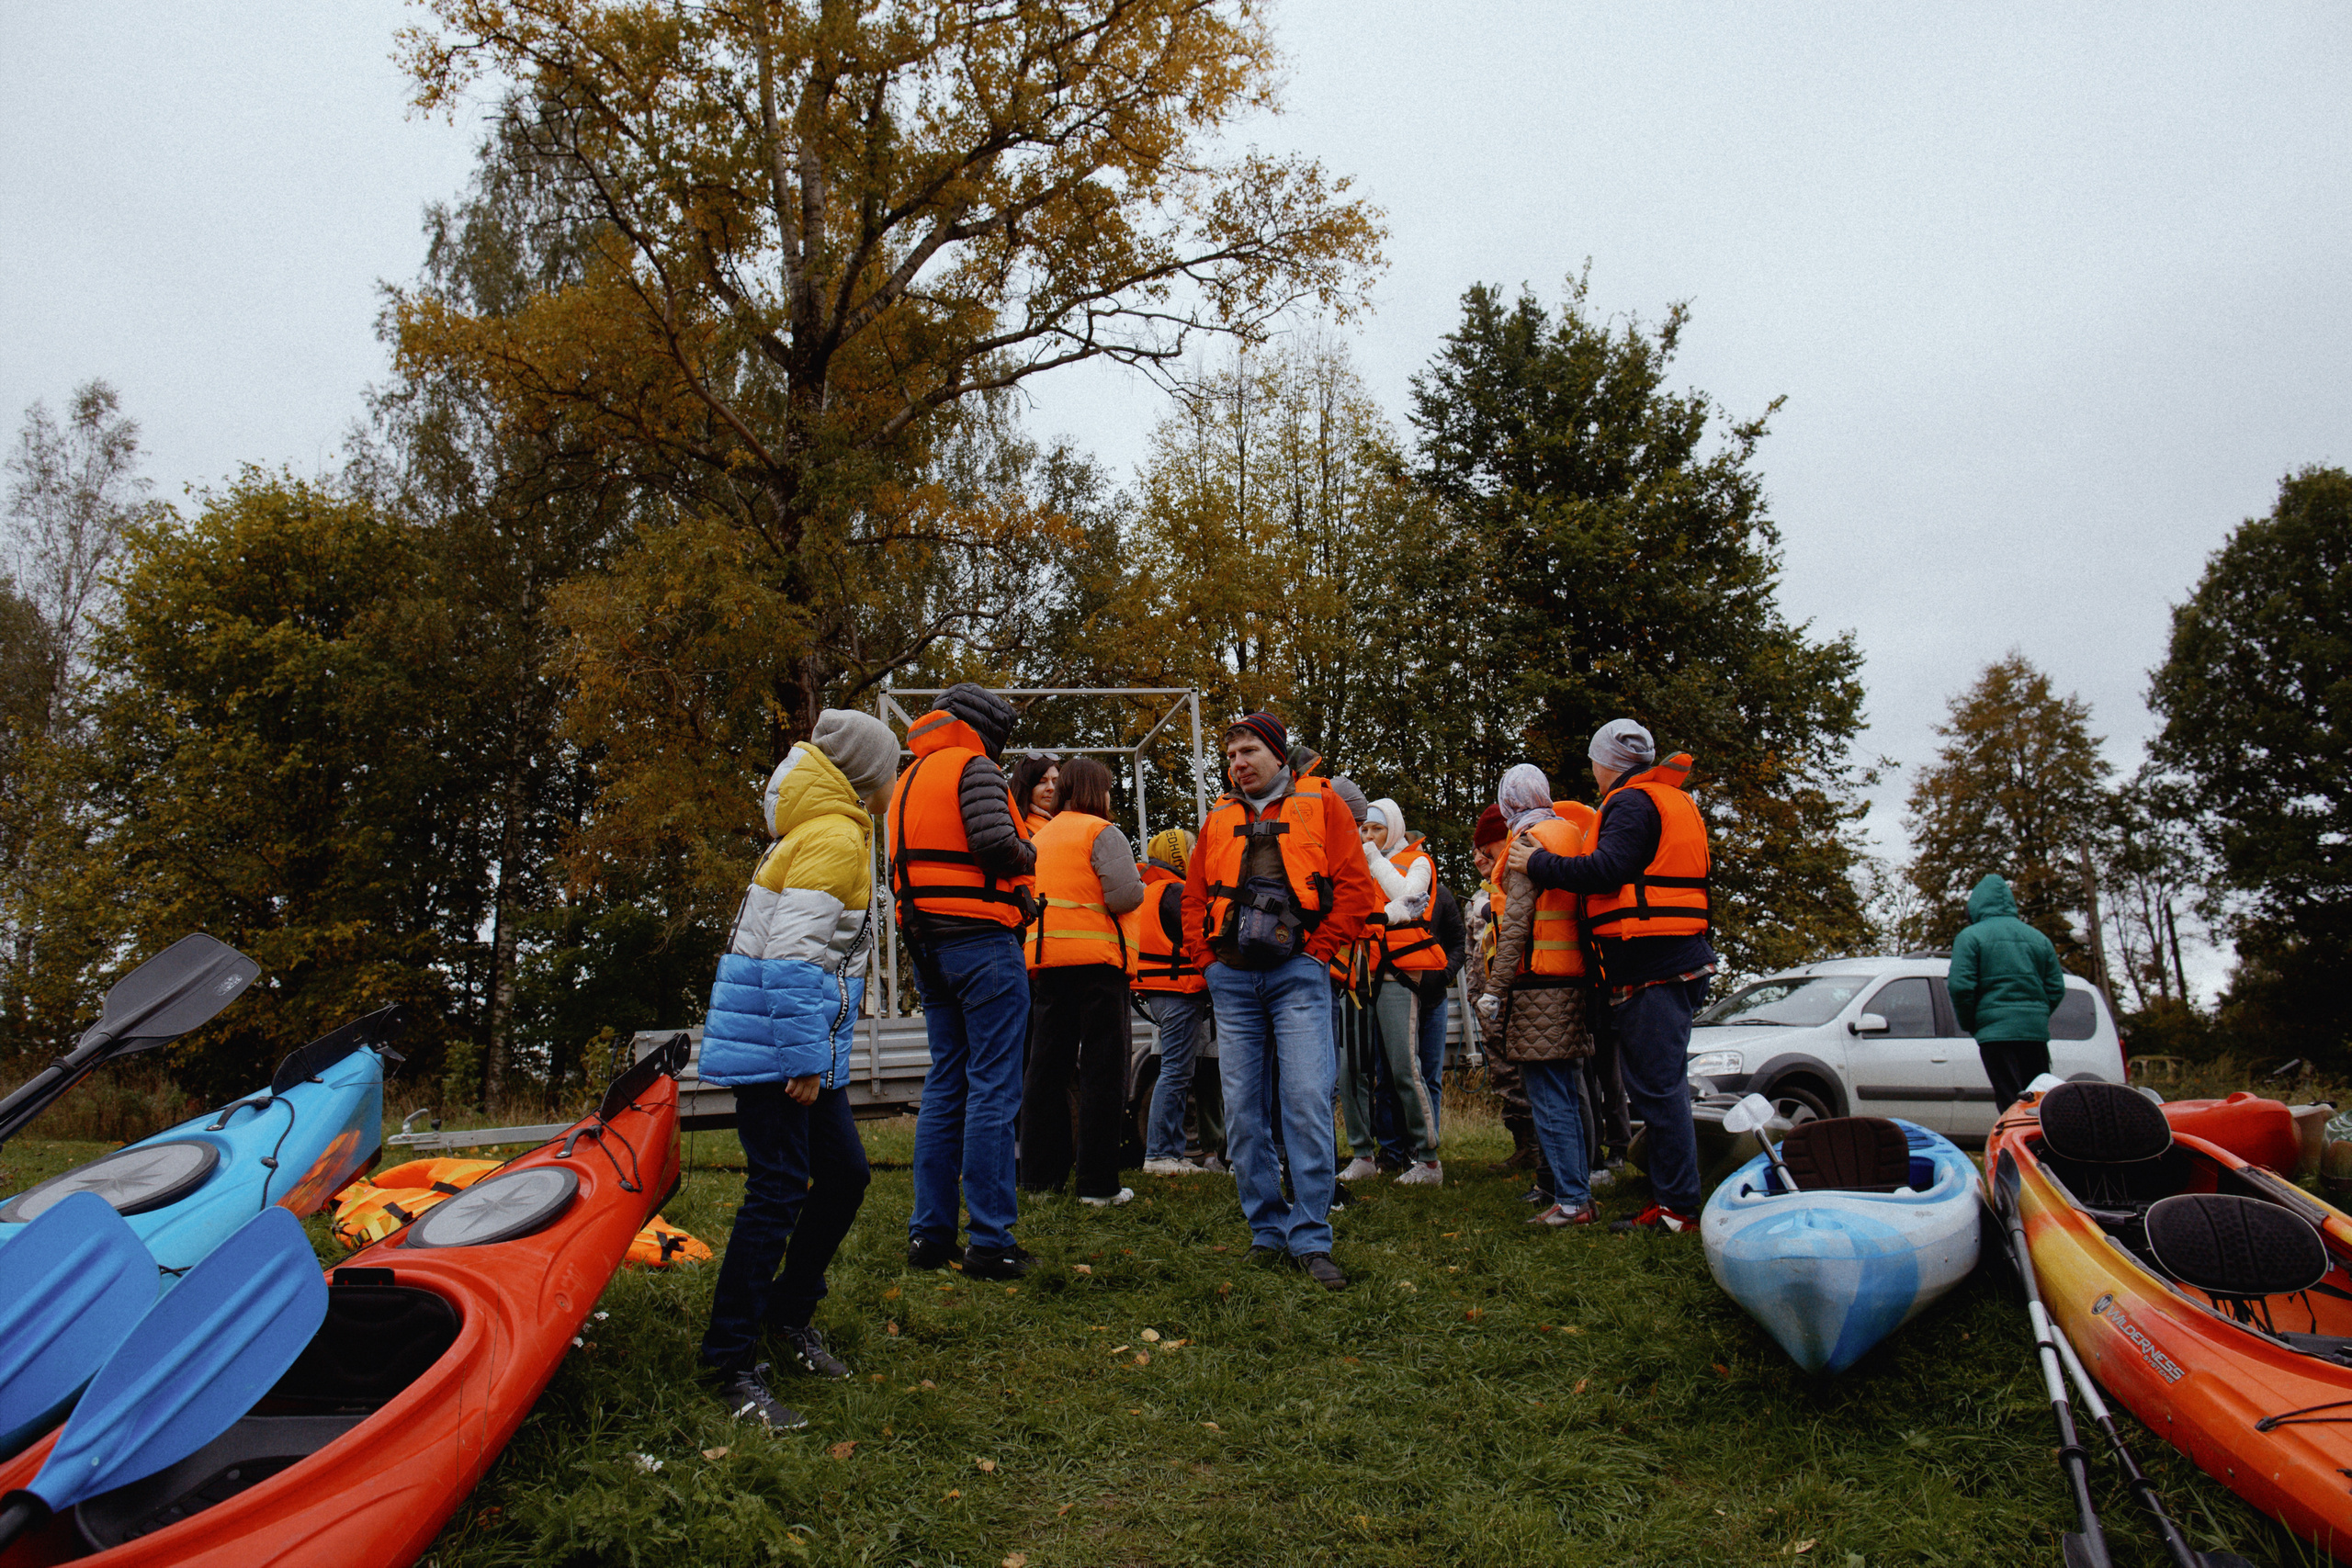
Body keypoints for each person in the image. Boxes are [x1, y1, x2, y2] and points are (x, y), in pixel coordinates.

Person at [698, 708, 896, 1429]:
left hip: (798, 1042)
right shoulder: (835, 836)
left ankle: (787, 1317)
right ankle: (729, 1363)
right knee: (778, 1188)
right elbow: (789, 958)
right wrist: (806, 1059)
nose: (895, 780)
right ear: (870, 775)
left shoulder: (836, 829)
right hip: (783, 1049)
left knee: (844, 1175)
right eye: (892, 768)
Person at [1183, 712, 1378, 1291]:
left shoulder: (1324, 805)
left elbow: (1355, 890)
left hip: (1299, 976)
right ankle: (1267, 1232)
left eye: (1248, 752)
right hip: (1234, 984)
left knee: (1305, 1103)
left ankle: (1311, 1237)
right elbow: (1193, 899)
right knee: (1244, 1115)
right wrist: (1208, 964)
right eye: (1230, 756)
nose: (1237, 764)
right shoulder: (1218, 817)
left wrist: (1318, 955)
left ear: (1277, 754)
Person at [1508, 719, 1715, 1235]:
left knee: (1659, 1092)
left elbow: (1607, 868)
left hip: (1655, 967)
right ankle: (1672, 1202)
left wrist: (1540, 863)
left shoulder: (1629, 803)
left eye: (1594, 760)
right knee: (1657, 1089)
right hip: (1675, 958)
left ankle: (1677, 1211)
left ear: (1606, 763)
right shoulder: (1669, 800)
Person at [888, 682, 1038, 1280]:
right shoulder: (973, 768)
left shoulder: (909, 779)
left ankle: (930, 1234)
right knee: (994, 1088)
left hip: (927, 944)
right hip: (981, 943)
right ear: (985, 731)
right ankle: (991, 1240)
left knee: (947, 1084)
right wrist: (1029, 851)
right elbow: (996, 844)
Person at [1478, 764, 1600, 1227]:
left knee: (1549, 1097)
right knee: (1568, 1091)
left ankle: (1571, 1201)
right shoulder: (1571, 834)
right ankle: (1573, 1191)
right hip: (1573, 981)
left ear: (1510, 801)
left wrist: (1495, 989)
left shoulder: (1526, 844)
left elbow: (1515, 926)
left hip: (1537, 987)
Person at [1021, 758, 1147, 1206]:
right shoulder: (1100, 831)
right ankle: (1097, 1186)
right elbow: (1126, 895)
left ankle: (1038, 1181)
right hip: (1097, 965)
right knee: (1102, 1073)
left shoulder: (1040, 836)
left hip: (1047, 964)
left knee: (1045, 1073)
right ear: (1097, 792)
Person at [1345, 798, 1442, 1185]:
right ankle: (1362, 1155)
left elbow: (1407, 898)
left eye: (1376, 829)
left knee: (1404, 1067)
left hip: (1398, 975)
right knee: (1351, 1069)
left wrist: (1372, 858)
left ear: (1395, 829)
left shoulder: (1418, 862)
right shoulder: (1355, 864)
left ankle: (1428, 1160)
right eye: (1364, 830)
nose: (1368, 836)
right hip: (1356, 973)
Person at [1129, 828, 1222, 1175]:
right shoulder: (1176, 893)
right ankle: (1161, 1154)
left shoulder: (1149, 891)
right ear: (1179, 856)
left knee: (1175, 1072)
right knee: (1176, 1073)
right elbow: (1199, 938)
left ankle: (1167, 1153)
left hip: (1159, 994)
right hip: (1179, 993)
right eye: (1191, 849)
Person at [1947, 873, 2070, 1112]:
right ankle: (2038, 1146)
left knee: (2010, 1102)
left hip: (1996, 1035)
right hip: (2034, 1034)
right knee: (2037, 1101)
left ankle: (2009, 1147)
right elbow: (2056, 988)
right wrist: (2036, 1015)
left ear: (1975, 906)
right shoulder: (2039, 939)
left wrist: (1972, 1023)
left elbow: (1960, 986)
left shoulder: (1970, 937)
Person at [1010, 753, 1061, 837]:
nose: (1051, 788)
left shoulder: (1073, 820)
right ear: (1026, 788)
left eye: (1056, 782)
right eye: (1042, 782)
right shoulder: (1015, 828)